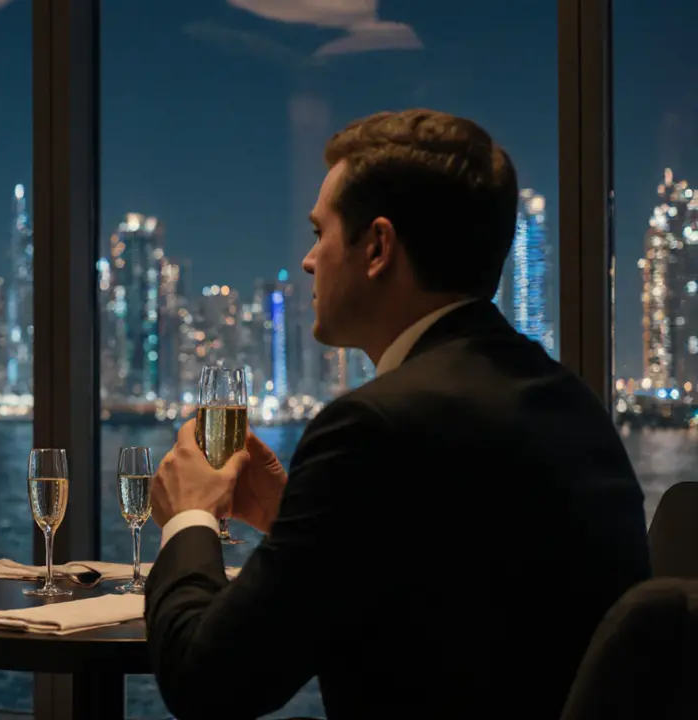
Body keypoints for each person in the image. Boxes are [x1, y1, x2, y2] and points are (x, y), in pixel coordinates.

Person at [144, 110, 651, 719]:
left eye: (319, 233)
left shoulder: (372, 429)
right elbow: (455, 592)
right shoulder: (571, 404)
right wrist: (294, 521)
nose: (309, 262)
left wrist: (190, 517)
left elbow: (206, 683)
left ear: (377, 247)